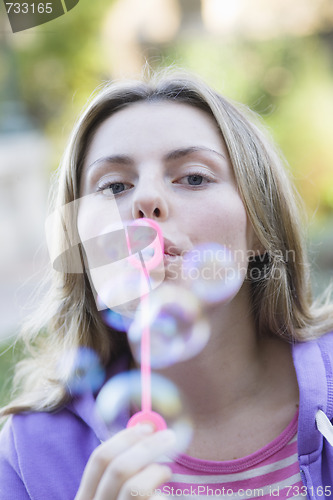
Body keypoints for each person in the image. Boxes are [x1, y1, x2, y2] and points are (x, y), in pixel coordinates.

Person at [0, 70, 333, 500]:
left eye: (194, 177)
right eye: (114, 185)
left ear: (258, 228)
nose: (145, 200)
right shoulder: (25, 457)